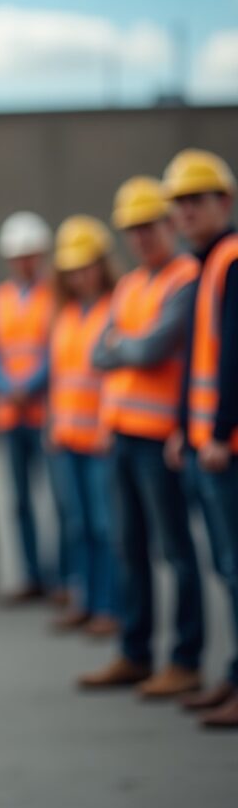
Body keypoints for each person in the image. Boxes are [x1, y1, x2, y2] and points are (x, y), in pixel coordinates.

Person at [80, 176, 204, 696]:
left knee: (175, 551)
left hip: (161, 439)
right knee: (129, 547)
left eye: (149, 225)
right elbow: (98, 352)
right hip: (122, 436)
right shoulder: (131, 285)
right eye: (133, 229)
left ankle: (185, 659)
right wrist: (129, 345)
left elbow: (151, 349)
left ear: (169, 224)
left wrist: (124, 345)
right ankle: (135, 652)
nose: (141, 237)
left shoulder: (186, 279)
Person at [162, 149, 238, 729]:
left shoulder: (231, 259)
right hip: (206, 442)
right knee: (224, 567)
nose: (185, 213)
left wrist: (215, 433)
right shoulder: (209, 264)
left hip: (226, 448)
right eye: (179, 205)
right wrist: (185, 429)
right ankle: (230, 676)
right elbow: (202, 358)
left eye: (195, 201)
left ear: (224, 202)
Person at [0, 210, 59, 601]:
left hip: (44, 413)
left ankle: (62, 578)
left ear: (40, 256)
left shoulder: (55, 296)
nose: (23, 262)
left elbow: (57, 348)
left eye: (29, 255)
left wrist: (31, 384)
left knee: (59, 500)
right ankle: (31, 576)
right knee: (20, 500)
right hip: (11, 413)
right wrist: (6, 384)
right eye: (17, 256)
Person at [46, 216, 118, 638]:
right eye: (71, 269)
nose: (78, 275)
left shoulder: (114, 308)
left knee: (106, 528)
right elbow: (62, 376)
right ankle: (85, 600)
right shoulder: (67, 314)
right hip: (67, 436)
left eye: (85, 265)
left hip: (100, 438)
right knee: (77, 524)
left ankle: (109, 607)